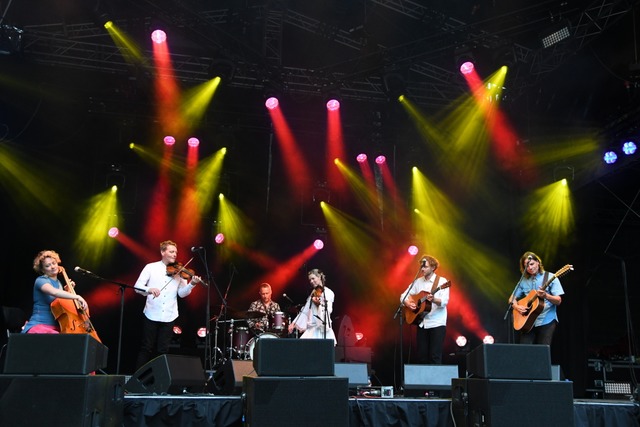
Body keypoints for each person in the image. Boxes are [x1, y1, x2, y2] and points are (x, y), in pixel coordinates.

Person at [133, 240, 203, 369]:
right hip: (151, 313)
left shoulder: (180, 271)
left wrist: (192, 284)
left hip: (169, 315)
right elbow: (137, 286)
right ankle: (137, 380)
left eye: (176, 252)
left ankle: (159, 381)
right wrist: (149, 289)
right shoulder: (151, 267)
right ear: (163, 252)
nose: (175, 254)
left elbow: (182, 293)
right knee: (146, 347)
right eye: (171, 251)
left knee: (163, 350)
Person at [23, 250, 89, 334]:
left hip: (56, 326)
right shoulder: (41, 280)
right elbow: (54, 292)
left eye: (54, 263)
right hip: (40, 325)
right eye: (47, 266)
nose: (52, 267)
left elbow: (59, 302)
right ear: (43, 270)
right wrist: (77, 296)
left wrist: (67, 291)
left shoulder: (59, 283)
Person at [400, 255, 450, 364]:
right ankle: (423, 381)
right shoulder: (418, 282)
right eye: (421, 267)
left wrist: (434, 299)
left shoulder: (442, 281)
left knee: (434, 356)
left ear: (433, 267)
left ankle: (436, 381)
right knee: (421, 356)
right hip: (422, 323)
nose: (422, 269)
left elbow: (444, 302)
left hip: (437, 323)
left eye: (425, 266)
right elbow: (403, 295)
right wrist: (408, 303)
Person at [510, 251, 564, 346]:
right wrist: (516, 306)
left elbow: (558, 301)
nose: (530, 268)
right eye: (527, 265)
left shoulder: (551, 277)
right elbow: (511, 299)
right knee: (525, 351)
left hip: (547, 320)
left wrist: (546, 296)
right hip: (527, 322)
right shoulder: (523, 280)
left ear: (538, 262)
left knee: (543, 351)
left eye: (532, 264)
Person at [288, 268, 336, 344]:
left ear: (319, 277)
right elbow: (305, 310)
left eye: (313, 278)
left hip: (322, 328)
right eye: (310, 280)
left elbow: (329, 310)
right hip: (312, 328)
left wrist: (319, 306)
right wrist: (294, 323)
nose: (311, 281)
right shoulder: (313, 293)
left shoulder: (328, 292)